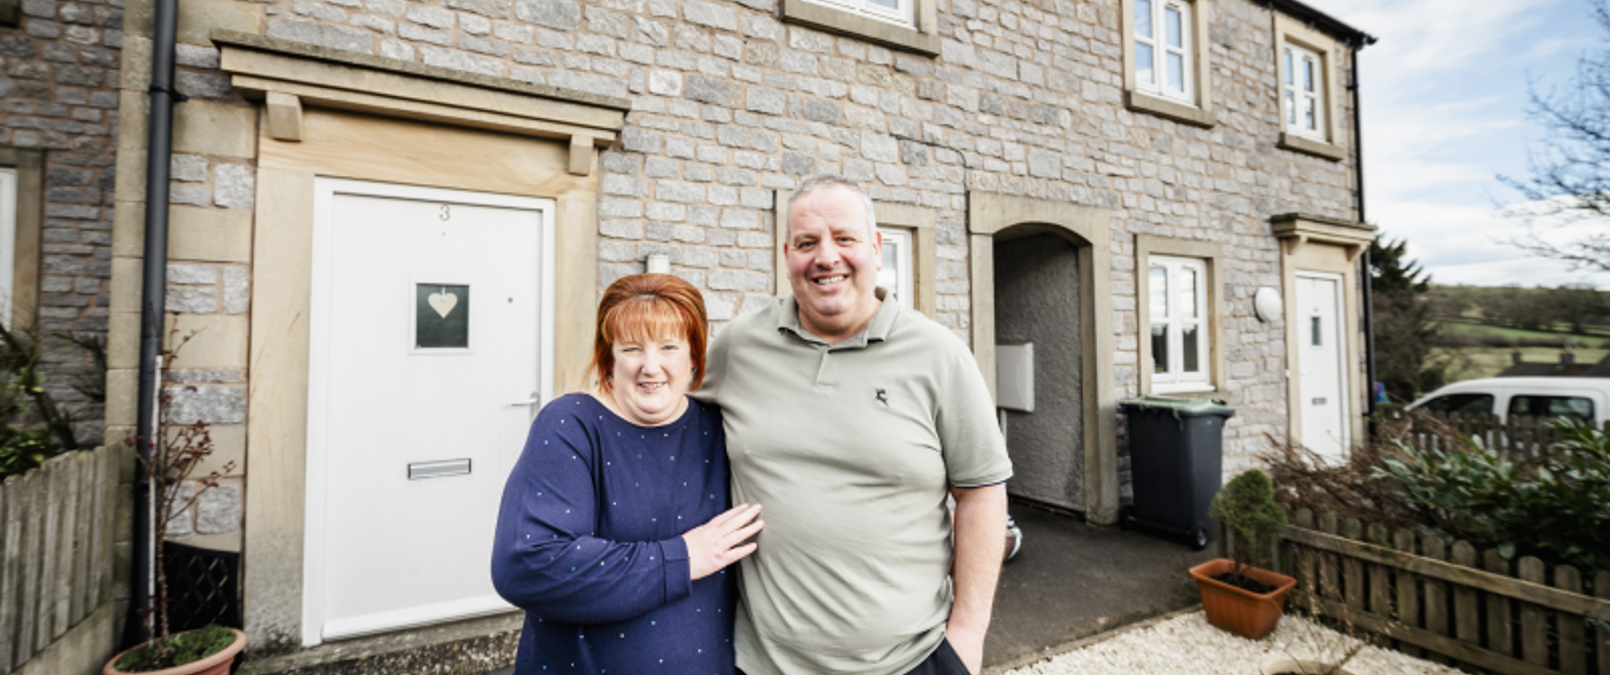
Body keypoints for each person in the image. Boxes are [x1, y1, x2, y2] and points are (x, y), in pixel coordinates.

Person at [695, 174, 1013, 675]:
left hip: (912, 660)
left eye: (844, 238)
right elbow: (660, 415)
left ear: (875, 248)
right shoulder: (739, 347)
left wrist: (968, 638)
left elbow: (982, 493)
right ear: (786, 256)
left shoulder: (939, 356)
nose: (826, 257)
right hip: (761, 664)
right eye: (807, 243)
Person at [492, 273, 765, 675]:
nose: (650, 367)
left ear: (693, 357)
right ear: (609, 357)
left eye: (669, 347)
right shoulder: (572, 426)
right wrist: (683, 558)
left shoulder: (719, 430)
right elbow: (527, 564)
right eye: (632, 348)